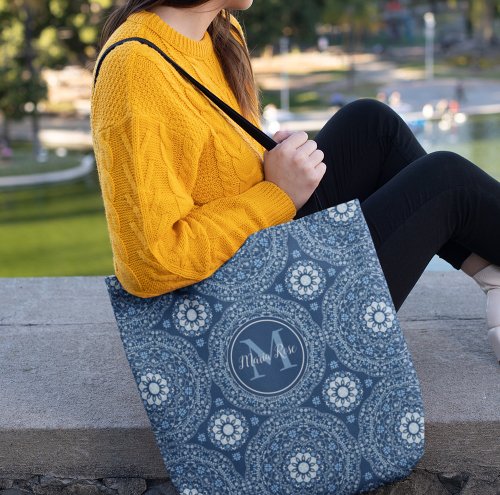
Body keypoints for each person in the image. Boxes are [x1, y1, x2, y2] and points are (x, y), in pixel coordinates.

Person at [91, 0, 500, 363]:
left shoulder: (220, 31)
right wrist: (277, 193)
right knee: (446, 181)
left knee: (370, 124)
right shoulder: (135, 71)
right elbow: (149, 263)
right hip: (260, 336)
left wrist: (266, 158)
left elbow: (211, 169)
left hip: (266, 268)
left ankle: (495, 278)